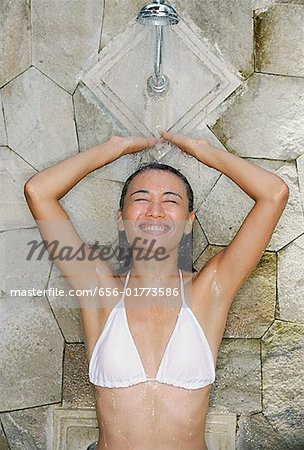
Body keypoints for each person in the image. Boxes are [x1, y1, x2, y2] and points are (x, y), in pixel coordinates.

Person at [24, 132, 289, 450]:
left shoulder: (211, 289)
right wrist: (115, 148)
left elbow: (274, 193)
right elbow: (39, 191)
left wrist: (203, 151)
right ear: (121, 220)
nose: (155, 210)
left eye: (171, 200)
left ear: (189, 221)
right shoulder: (98, 289)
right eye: (141, 199)